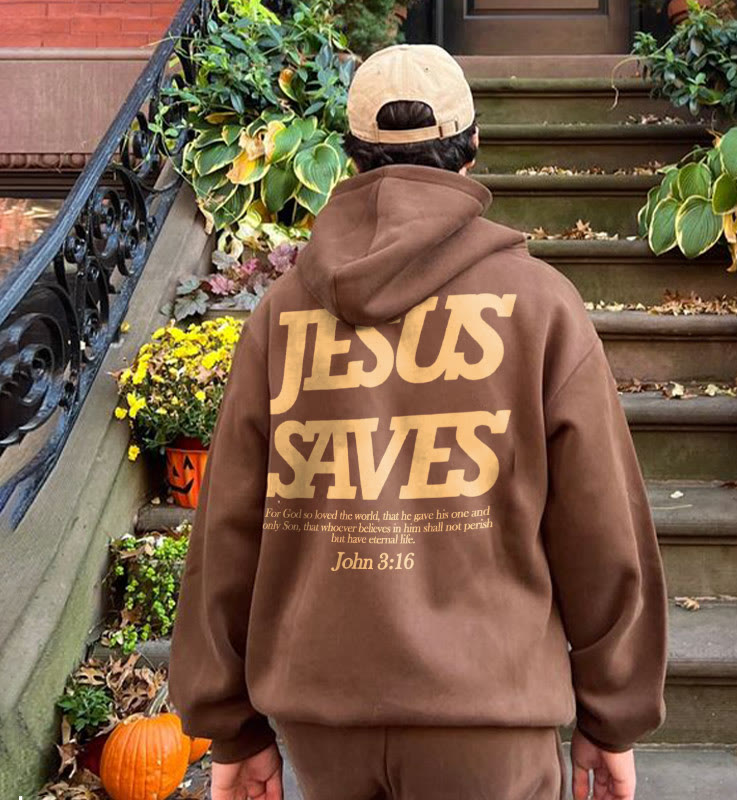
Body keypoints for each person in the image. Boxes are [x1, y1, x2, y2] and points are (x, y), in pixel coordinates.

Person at [169, 43, 668, 800]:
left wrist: (232, 727)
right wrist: (612, 715)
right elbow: (601, 525)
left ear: (351, 157)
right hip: (488, 717)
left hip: (322, 719)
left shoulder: (281, 316)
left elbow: (229, 528)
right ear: (473, 147)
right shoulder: (538, 305)